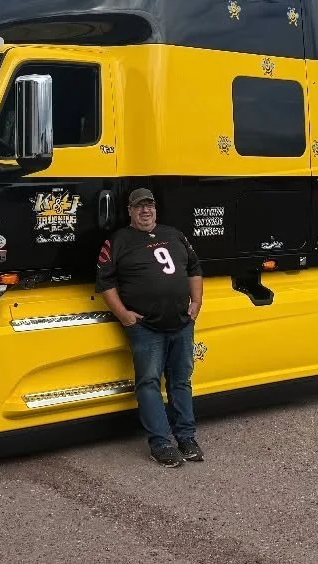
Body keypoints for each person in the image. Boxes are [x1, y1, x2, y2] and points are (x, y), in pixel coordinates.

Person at [95, 187, 204, 468]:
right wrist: (124, 316)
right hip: (146, 327)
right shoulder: (118, 240)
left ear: (155, 209)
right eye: (139, 206)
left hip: (181, 322)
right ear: (130, 211)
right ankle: (161, 444)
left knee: (181, 381)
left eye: (149, 205)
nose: (145, 211)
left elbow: (194, 269)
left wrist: (196, 303)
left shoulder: (174, 234)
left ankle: (186, 438)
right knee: (149, 383)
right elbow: (105, 282)